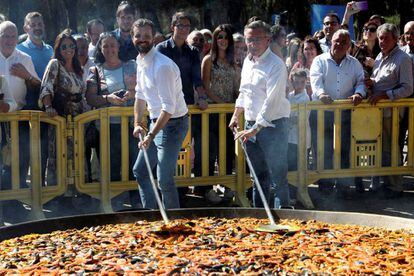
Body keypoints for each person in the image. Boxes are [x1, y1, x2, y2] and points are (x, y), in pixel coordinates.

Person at [229, 20, 291, 208]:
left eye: (257, 39)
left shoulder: (276, 65)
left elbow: (270, 103)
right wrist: (235, 114)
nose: (252, 44)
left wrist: (254, 130)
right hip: (250, 125)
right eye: (249, 40)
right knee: (258, 177)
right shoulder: (248, 61)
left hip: (273, 126)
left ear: (268, 39)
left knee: (278, 177)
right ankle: (259, 218)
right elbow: (244, 92)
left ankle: (284, 220)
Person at [131, 18, 189, 209]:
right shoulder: (140, 61)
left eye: (146, 36)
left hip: (173, 124)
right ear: (132, 38)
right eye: (138, 35)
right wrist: (137, 122)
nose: (142, 39)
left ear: (153, 38)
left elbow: (168, 108)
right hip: (157, 123)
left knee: (164, 178)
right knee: (140, 170)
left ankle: (174, 221)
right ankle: (151, 214)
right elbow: (139, 96)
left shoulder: (162, 66)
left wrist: (150, 135)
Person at [310, 29, 365, 196]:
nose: (338, 45)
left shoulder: (355, 63)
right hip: (322, 112)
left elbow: (361, 81)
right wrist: (321, 94)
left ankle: (343, 186)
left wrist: (359, 93)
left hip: (346, 113)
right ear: (330, 41)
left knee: (345, 149)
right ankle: (325, 186)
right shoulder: (319, 61)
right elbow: (315, 80)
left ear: (349, 45)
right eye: (336, 41)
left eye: (343, 42)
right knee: (323, 149)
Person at [156, 11, 208, 184]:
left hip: (185, 106)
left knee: (184, 146)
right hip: (164, 107)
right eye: (181, 25)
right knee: (167, 150)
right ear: (172, 27)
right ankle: (166, 186)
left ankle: (182, 186)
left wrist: (202, 97)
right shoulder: (161, 49)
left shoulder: (193, 51)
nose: (185, 29)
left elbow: (197, 79)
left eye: (187, 26)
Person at [366, 23, 413, 198]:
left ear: (395, 39)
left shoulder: (403, 58)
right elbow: (380, 79)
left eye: (386, 38)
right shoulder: (379, 56)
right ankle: (382, 184)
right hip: (375, 112)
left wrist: (386, 94)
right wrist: (371, 81)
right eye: (380, 38)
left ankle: (395, 186)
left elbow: (408, 88)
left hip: (392, 113)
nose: (382, 41)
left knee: (391, 148)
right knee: (378, 148)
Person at [86, 32, 137, 183]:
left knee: (133, 166)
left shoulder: (132, 65)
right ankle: (116, 203)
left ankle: (136, 202)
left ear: (119, 46)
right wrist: (108, 98)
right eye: (105, 46)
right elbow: (90, 98)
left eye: (113, 45)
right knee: (112, 168)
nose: (110, 49)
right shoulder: (95, 70)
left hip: (131, 125)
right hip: (107, 127)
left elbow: (145, 89)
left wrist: (132, 93)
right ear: (100, 49)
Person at [40, 29, 87, 185]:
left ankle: (77, 190)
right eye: (64, 46)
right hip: (60, 116)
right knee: (60, 152)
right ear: (58, 49)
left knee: (77, 152)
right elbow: (46, 86)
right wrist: (48, 107)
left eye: (72, 46)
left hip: (78, 117)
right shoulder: (55, 64)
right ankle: (58, 192)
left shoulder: (78, 68)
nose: (69, 49)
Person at [0, 21, 40, 189]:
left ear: (18, 38)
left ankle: (17, 200)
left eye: (13, 37)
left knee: (21, 159)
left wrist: (27, 76)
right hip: (0, 119)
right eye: (5, 36)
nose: (9, 40)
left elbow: (39, 86)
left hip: (20, 117)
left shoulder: (25, 59)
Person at [201, 24, 238, 201]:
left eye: (226, 37)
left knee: (228, 150)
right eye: (220, 37)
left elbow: (236, 86)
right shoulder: (209, 60)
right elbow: (206, 86)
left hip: (230, 112)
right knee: (210, 149)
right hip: (213, 112)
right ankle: (207, 188)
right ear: (215, 39)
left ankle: (227, 185)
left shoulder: (233, 62)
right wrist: (220, 103)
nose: (223, 40)